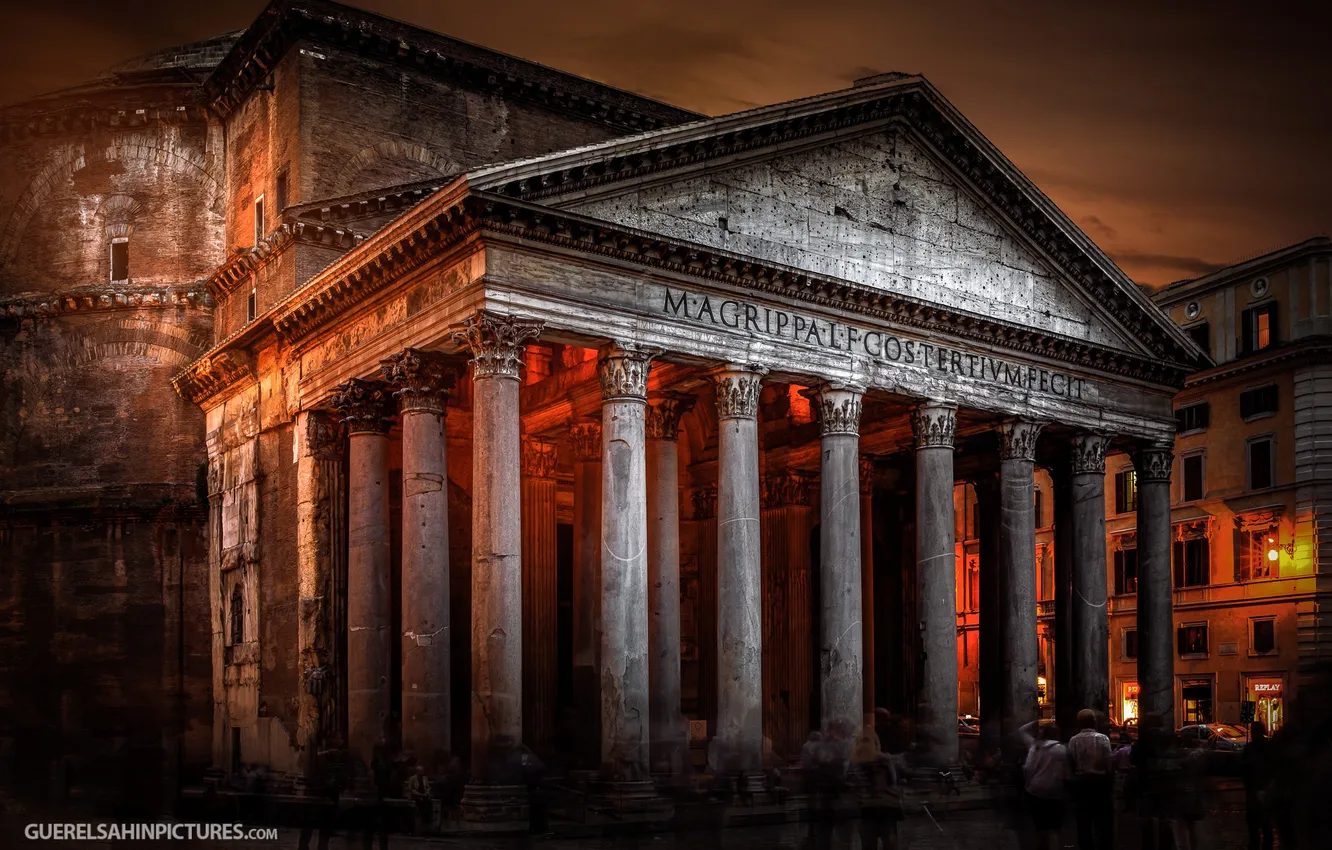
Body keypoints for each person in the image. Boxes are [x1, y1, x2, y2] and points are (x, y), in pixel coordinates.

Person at [1067, 709, 1114, 850]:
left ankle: (1086, 845)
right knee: (1102, 817)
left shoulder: (1074, 740)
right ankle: (1103, 844)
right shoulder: (1103, 739)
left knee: (1083, 819)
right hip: (1100, 781)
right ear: (1094, 722)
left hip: (1082, 781)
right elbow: (1108, 761)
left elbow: (1071, 761)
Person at [1019, 720, 1068, 850]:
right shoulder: (1063, 749)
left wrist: (1036, 720)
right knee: (1054, 827)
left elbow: (1028, 768)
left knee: (1040, 826)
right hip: (1056, 791)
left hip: (1036, 789)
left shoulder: (1035, 747)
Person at [299, 732, 349, 850]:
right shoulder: (325, 755)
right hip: (319, 793)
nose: (341, 740)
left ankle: (317, 846)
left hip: (325, 794)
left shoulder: (336, 755)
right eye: (339, 737)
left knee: (322, 825)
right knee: (312, 823)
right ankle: (305, 846)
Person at [1244, 720, 1273, 850]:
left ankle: (1255, 845)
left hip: (1254, 789)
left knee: (1254, 825)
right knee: (1266, 826)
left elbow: (1245, 770)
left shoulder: (1250, 748)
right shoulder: (1269, 745)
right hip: (1265, 789)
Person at [404, 765, 433, 835]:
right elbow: (411, 789)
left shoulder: (425, 778)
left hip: (424, 795)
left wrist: (427, 793)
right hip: (416, 795)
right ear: (417, 772)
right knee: (421, 802)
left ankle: (427, 821)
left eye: (422, 771)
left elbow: (428, 787)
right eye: (420, 771)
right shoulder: (412, 779)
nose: (422, 772)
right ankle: (422, 822)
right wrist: (419, 794)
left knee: (429, 802)